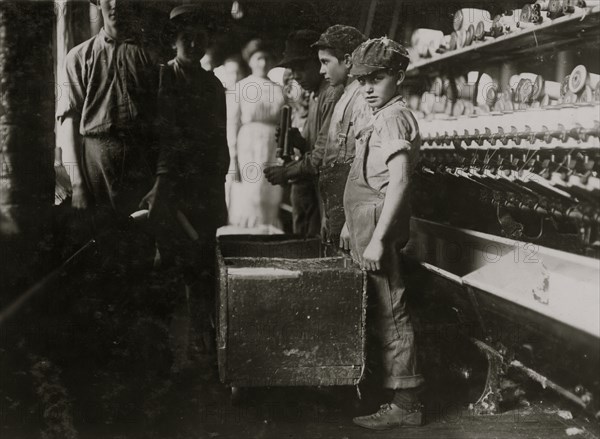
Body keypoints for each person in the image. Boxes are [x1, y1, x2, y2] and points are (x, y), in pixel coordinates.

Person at [341, 37, 424, 430]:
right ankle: (389, 393)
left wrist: (376, 239)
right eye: (361, 80)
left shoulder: (393, 116)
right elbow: (366, 176)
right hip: (364, 225)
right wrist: (349, 223)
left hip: (378, 229)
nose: (368, 88)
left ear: (399, 76)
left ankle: (406, 404)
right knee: (379, 310)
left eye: (377, 78)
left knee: (392, 312)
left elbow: (400, 182)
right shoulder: (380, 114)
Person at [57, 0, 165, 263]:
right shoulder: (79, 56)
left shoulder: (151, 57)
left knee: (139, 250)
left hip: (141, 164)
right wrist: (79, 184)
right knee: (102, 251)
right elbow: (69, 123)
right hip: (96, 165)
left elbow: (166, 127)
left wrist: (160, 182)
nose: (115, 4)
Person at [157, 5, 230, 355]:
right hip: (170, 186)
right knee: (170, 264)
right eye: (185, 36)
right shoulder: (162, 77)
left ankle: (201, 336)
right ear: (174, 41)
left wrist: (218, 187)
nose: (192, 42)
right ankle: (171, 345)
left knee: (201, 263)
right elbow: (158, 136)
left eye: (199, 37)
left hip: (203, 189)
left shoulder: (213, 85)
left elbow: (220, 141)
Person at [264, 25, 370, 245]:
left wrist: (287, 172)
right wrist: (299, 142)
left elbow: (322, 156)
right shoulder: (316, 95)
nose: (295, 76)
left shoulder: (331, 95)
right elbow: (320, 147)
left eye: (301, 67)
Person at [227, 39, 285, 231]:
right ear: (250, 61)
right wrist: (233, 157)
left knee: (269, 193)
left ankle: (267, 234)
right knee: (250, 193)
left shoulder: (277, 89)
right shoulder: (241, 87)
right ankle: (247, 234)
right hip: (248, 146)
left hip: (272, 146)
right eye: (259, 58)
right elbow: (233, 123)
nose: (263, 63)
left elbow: (284, 122)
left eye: (267, 59)